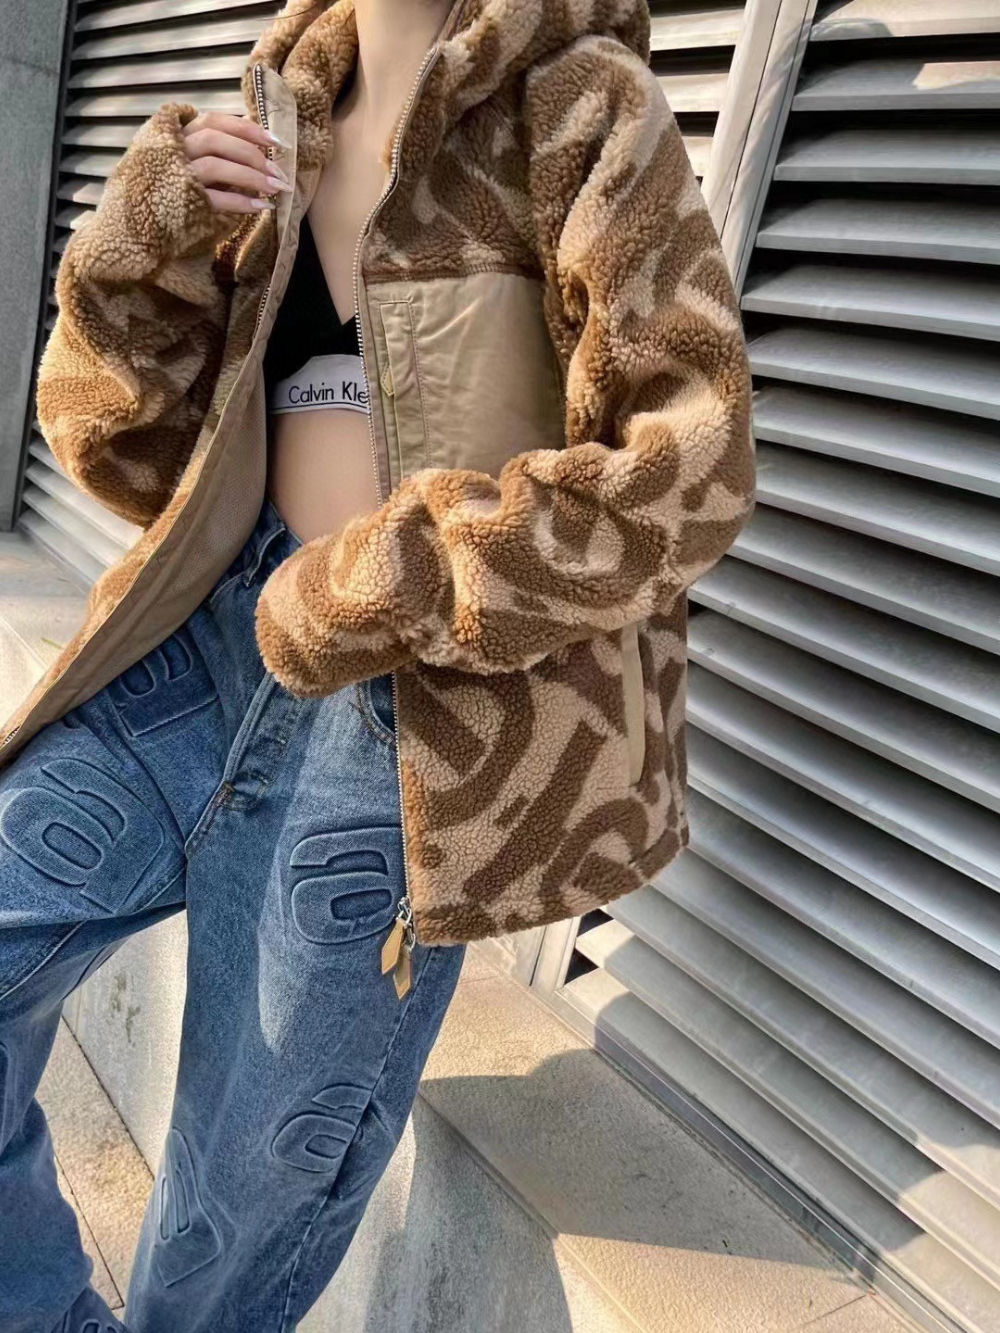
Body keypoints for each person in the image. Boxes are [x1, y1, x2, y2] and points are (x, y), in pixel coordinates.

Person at [0, 0, 755, 1328]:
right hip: (197, 653)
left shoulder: (582, 106)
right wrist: (141, 250)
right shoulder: (278, 110)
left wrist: (405, 571)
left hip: (400, 728)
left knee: (238, 1199)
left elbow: (692, 464)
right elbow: (128, 453)